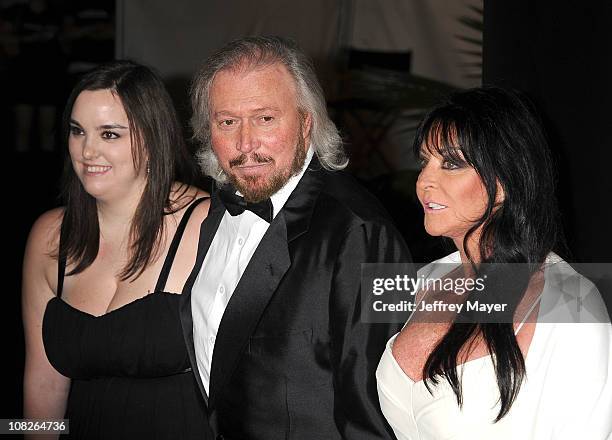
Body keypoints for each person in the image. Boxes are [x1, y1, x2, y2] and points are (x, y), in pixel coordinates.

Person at [184, 36, 412, 439]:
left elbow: (376, 415)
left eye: (265, 118)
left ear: (307, 122)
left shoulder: (361, 231)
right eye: (227, 122)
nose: (245, 144)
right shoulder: (217, 208)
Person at [376, 86, 612, 439]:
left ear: (504, 182)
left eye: (451, 164)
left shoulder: (571, 304)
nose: (424, 180)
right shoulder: (429, 278)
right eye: (425, 161)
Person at [22, 60, 211, 439]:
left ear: (153, 136)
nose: (87, 150)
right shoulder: (48, 237)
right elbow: (44, 384)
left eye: (109, 134)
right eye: (77, 132)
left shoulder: (205, 224)